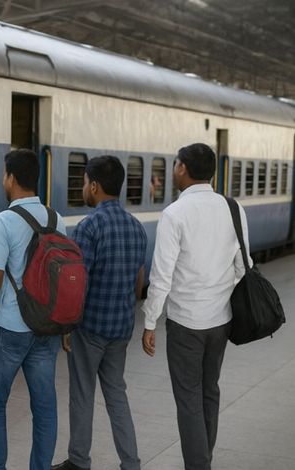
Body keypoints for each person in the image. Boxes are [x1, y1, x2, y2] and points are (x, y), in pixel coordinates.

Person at [141, 143, 250, 470]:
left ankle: (198, 465)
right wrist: (218, 292)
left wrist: (150, 322)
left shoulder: (175, 213)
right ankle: (204, 459)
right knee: (209, 392)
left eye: (175, 165)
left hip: (185, 324)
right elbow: (243, 267)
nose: (173, 170)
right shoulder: (233, 208)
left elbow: (162, 276)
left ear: (183, 169)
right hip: (221, 321)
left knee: (188, 399)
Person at [0, 149, 66, 470]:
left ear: (11, 178)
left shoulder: (5, 220)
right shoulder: (55, 219)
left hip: (11, 327)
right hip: (47, 327)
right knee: (45, 407)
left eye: (4, 174)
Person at [52, 156, 147, 470]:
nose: (83, 188)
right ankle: (131, 463)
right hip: (121, 328)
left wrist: (67, 325)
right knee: (117, 394)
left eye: (83, 182)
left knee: (82, 393)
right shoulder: (136, 227)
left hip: (90, 327)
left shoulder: (89, 226)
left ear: (94, 185)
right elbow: (139, 281)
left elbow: (77, 281)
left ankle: (79, 461)